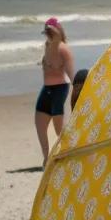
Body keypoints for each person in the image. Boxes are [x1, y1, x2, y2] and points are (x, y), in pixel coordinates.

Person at [36, 19, 75, 164]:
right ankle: (47, 158)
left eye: (51, 32)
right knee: (39, 123)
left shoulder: (63, 49)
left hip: (59, 88)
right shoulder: (47, 45)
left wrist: (78, 88)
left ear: (59, 32)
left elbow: (71, 73)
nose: (48, 35)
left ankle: (68, 151)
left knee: (59, 127)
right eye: (47, 32)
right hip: (46, 89)